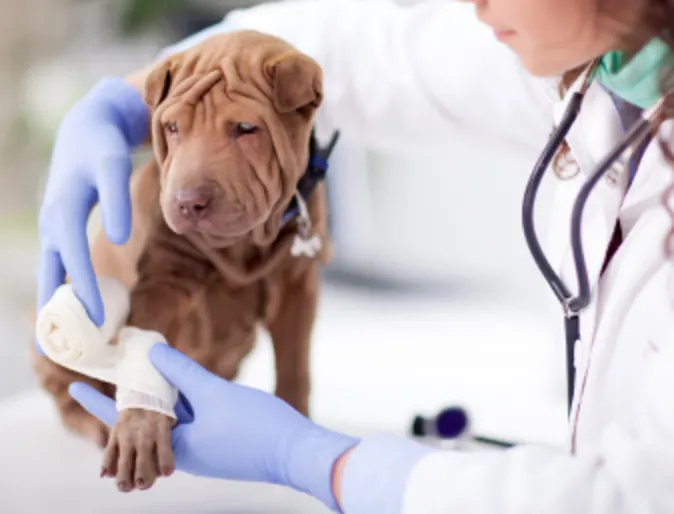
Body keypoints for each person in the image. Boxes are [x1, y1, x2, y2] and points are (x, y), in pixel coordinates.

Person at [36, 0, 674, 512]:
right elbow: (368, 51)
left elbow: (630, 495)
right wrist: (130, 98)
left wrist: (318, 460)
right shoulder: (603, 57)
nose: (473, 7)